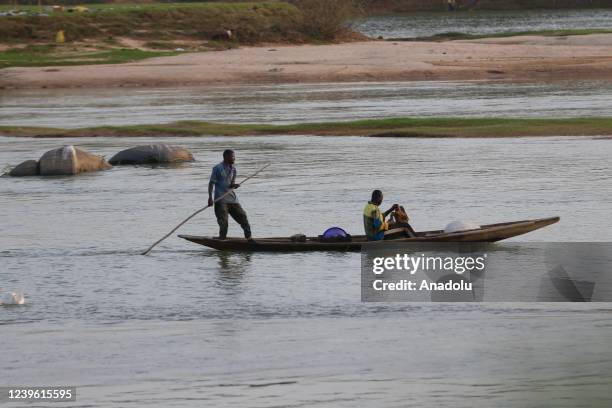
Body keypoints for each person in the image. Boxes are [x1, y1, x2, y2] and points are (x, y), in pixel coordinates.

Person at [208, 150, 252, 241]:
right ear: (226, 157)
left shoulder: (234, 169)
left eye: (234, 157)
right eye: (232, 157)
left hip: (233, 199)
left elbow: (231, 184)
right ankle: (222, 240)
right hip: (221, 201)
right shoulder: (217, 168)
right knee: (224, 223)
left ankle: (249, 238)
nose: (234, 158)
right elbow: (211, 183)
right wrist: (210, 198)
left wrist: (234, 185)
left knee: (243, 217)